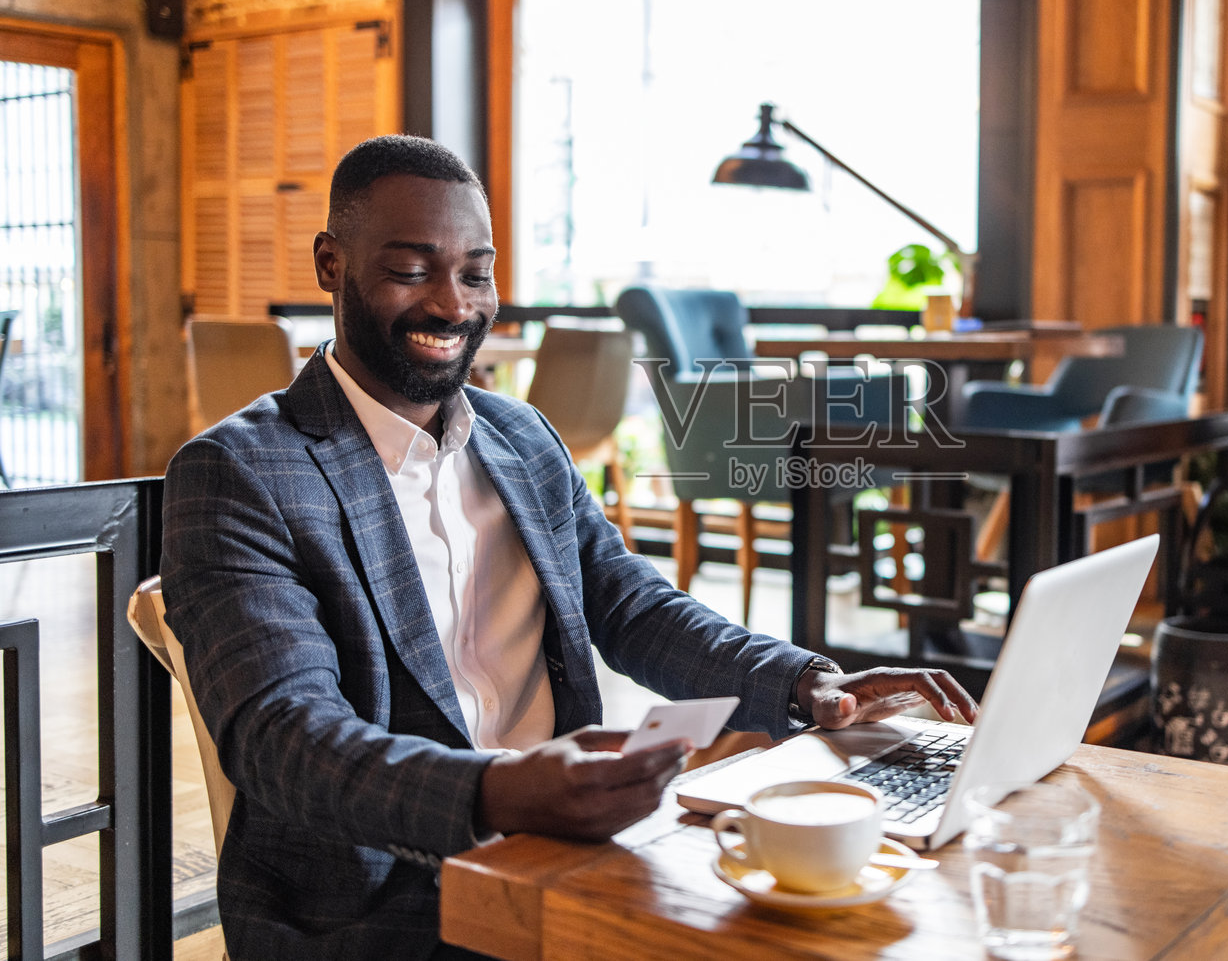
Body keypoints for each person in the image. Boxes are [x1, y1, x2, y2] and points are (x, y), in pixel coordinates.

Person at [161, 134, 978, 960]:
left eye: (476, 272)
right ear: (331, 264)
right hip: (380, 913)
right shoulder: (238, 472)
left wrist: (810, 684)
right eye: (412, 269)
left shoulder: (520, 437)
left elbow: (632, 606)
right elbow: (286, 737)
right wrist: (501, 792)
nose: (453, 304)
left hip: (564, 855)